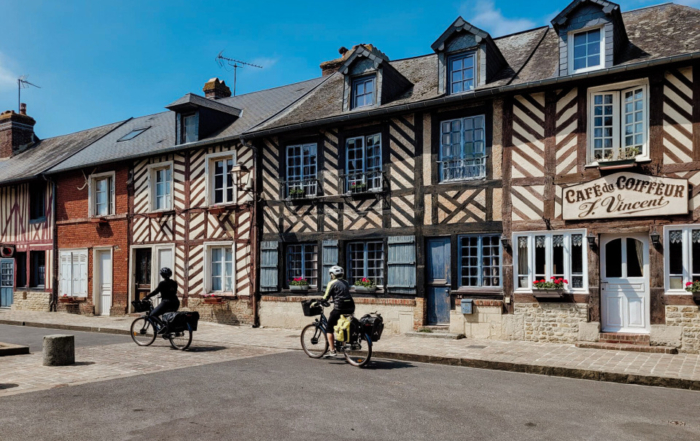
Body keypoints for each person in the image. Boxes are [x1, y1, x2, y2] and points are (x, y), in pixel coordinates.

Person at [320, 265, 355, 358]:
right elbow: (342, 293)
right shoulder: (346, 282)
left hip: (340, 307)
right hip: (351, 306)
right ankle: (342, 345)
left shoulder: (332, 283)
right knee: (343, 325)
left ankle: (332, 350)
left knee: (329, 328)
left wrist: (321, 301)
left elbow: (326, 296)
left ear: (332, 274)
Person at [145, 267, 179, 333]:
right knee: (168, 316)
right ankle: (168, 329)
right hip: (175, 302)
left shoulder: (162, 283)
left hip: (166, 303)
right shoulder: (174, 283)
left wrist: (147, 297)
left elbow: (155, 292)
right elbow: (172, 292)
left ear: (162, 275)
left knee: (152, 314)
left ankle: (162, 326)